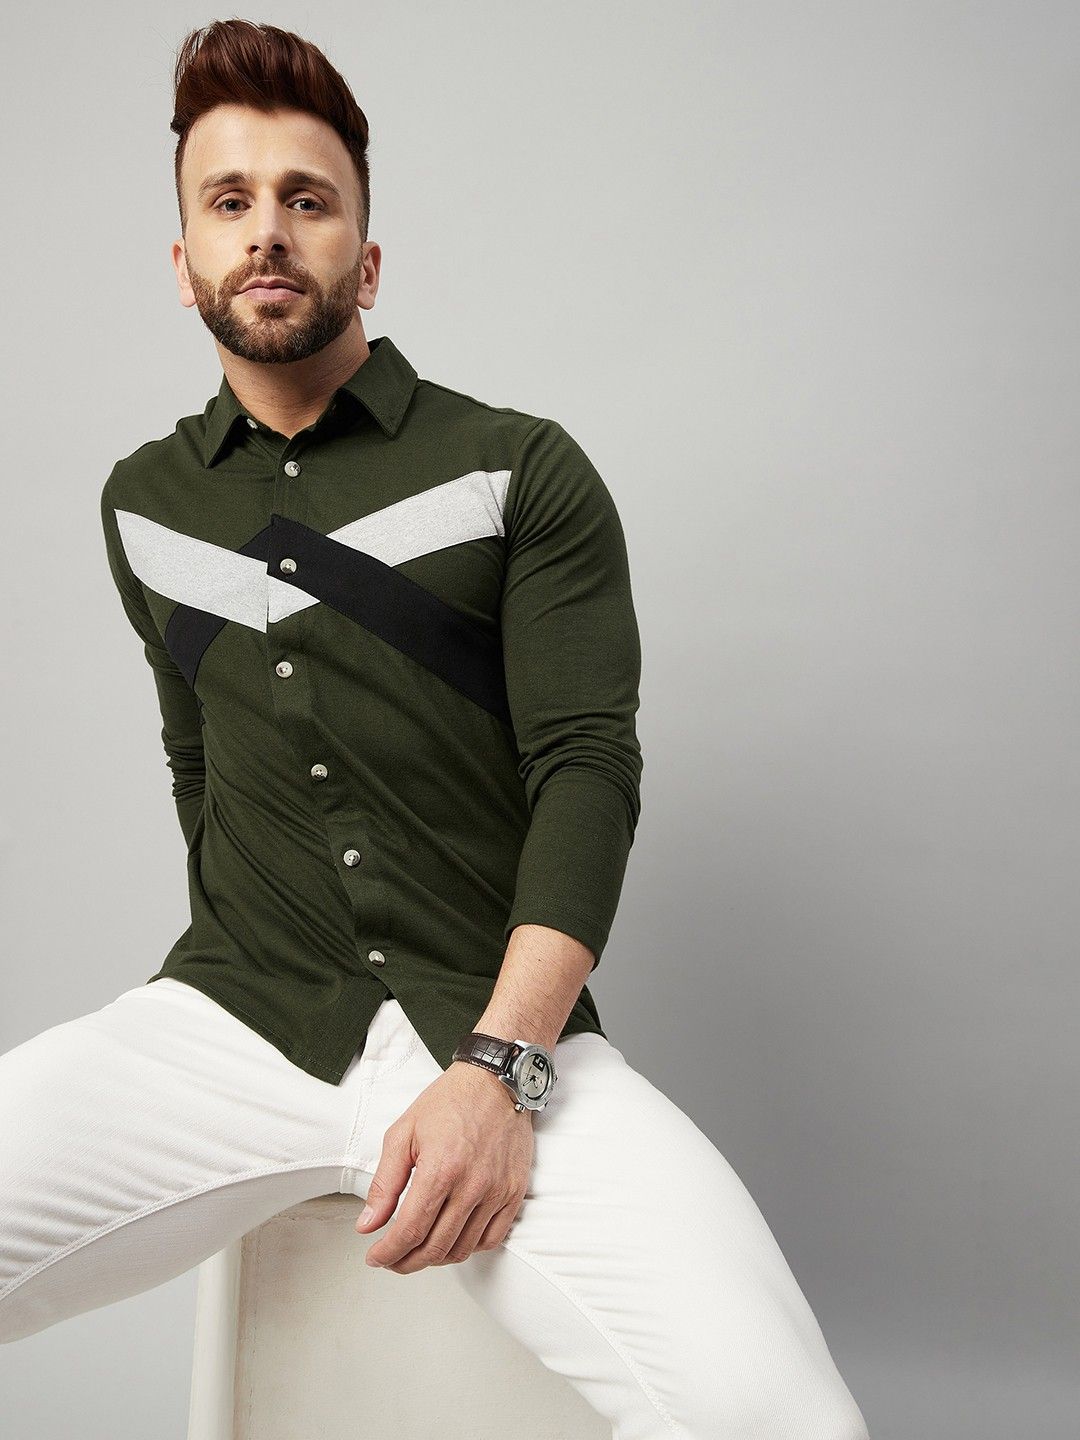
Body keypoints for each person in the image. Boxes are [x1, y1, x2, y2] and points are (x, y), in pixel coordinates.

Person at [0, 19, 871, 1438]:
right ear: (183, 260)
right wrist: (246, 955)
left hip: (497, 1025)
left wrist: (503, 1068)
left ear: (366, 256)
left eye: (307, 199)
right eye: (229, 202)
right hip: (234, 1019)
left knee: (773, 1411)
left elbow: (588, 769)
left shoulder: (516, 468)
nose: (267, 232)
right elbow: (196, 765)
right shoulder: (142, 505)